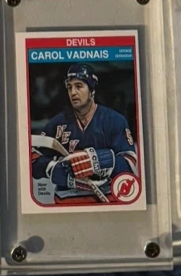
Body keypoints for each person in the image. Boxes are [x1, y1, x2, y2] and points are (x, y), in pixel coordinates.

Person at [30, 65, 139, 203]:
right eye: (69, 87)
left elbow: (129, 165)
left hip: (107, 199)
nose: (73, 92)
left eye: (79, 86)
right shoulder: (56, 124)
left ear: (92, 91)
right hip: (66, 201)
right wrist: (49, 168)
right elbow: (32, 158)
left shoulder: (114, 120)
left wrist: (101, 160)